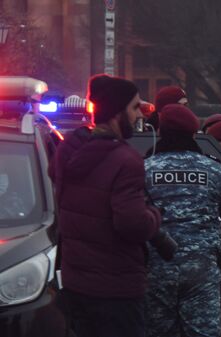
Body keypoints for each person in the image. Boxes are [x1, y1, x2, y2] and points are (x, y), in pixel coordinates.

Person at [48, 74, 163, 337]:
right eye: (134, 108)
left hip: (76, 284)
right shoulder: (126, 160)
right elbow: (132, 224)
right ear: (116, 112)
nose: (139, 116)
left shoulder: (68, 151)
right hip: (117, 289)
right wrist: (154, 216)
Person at [144, 104, 221, 337]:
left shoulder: (144, 169)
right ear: (193, 134)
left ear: (161, 132)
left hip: (156, 270)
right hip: (201, 270)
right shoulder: (212, 169)